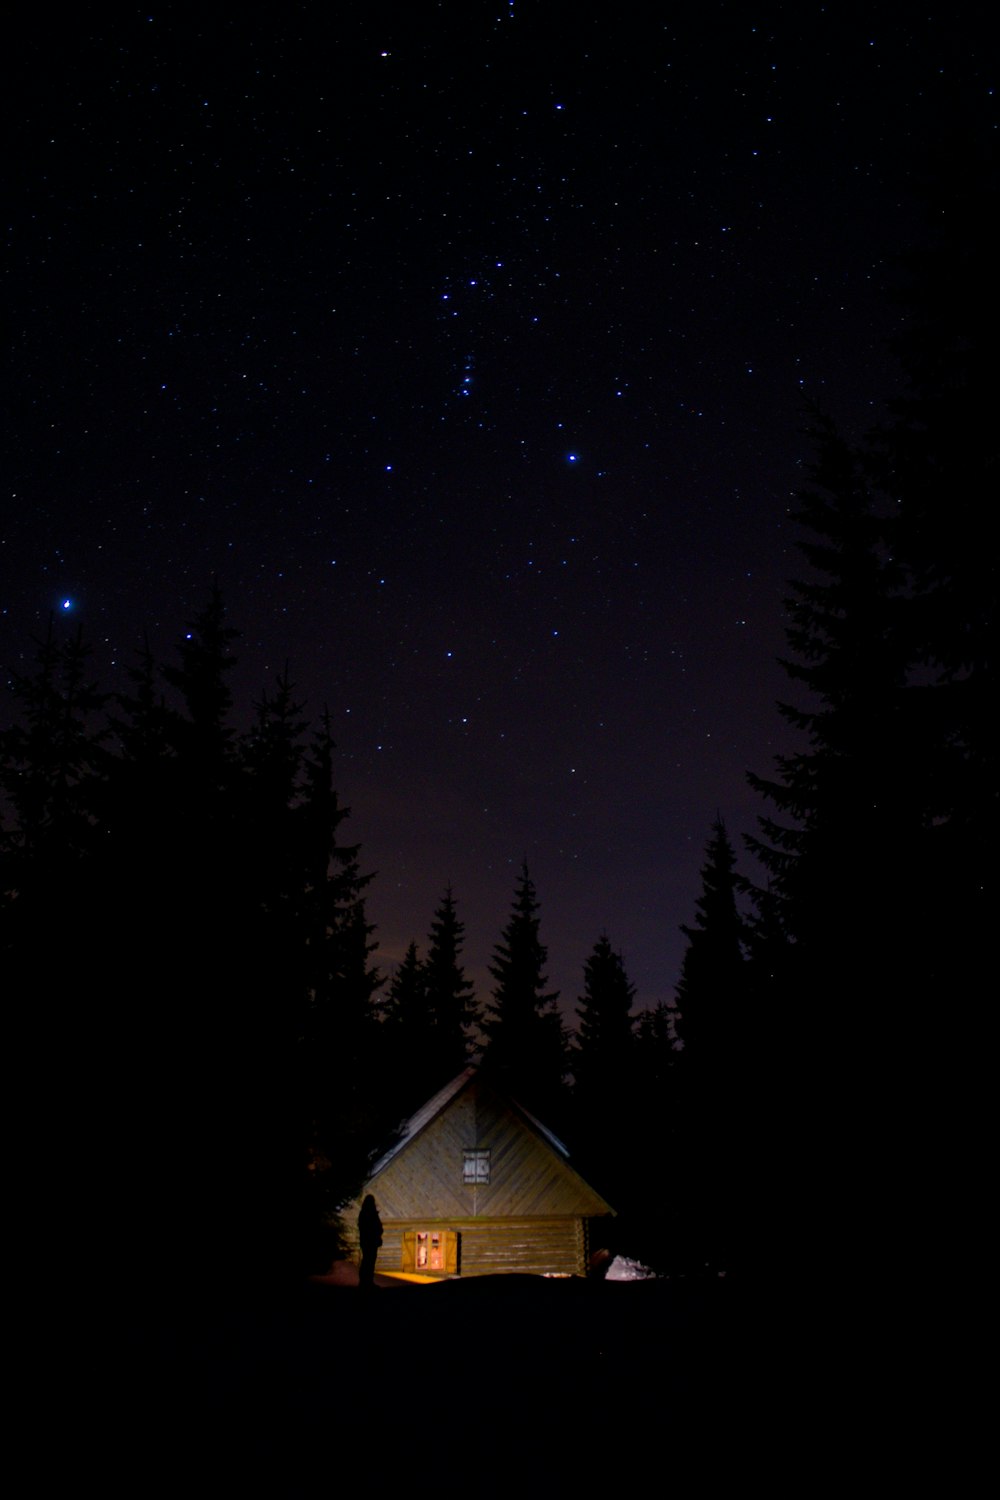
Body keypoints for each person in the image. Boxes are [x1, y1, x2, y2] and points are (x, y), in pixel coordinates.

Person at [358, 1194, 383, 1288]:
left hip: (367, 1241)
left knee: (368, 1261)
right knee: (368, 1261)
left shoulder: (364, 1213)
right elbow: (376, 1227)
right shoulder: (370, 1214)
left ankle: (366, 1281)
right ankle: (366, 1282)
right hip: (370, 1241)